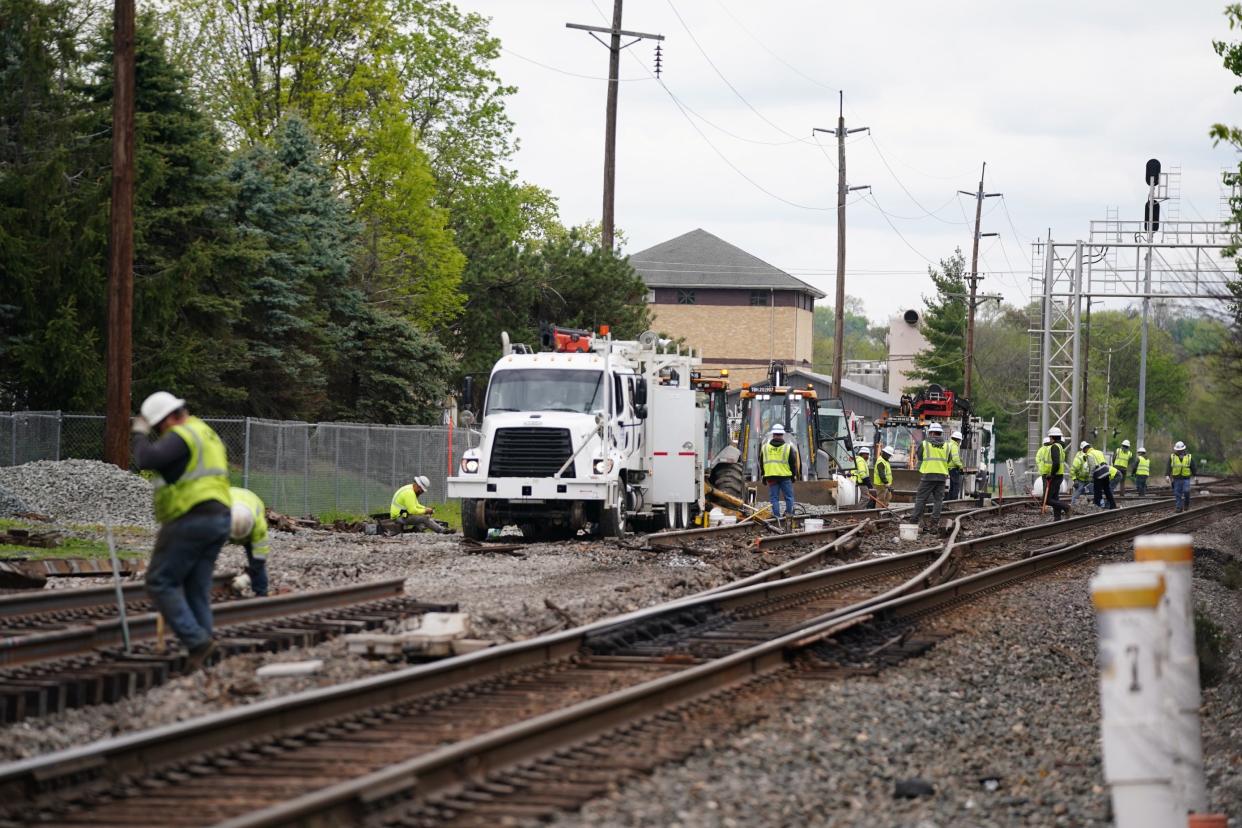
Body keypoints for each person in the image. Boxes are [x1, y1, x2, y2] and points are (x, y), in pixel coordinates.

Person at [131, 391, 230, 671]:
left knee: (160, 581)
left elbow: (147, 458)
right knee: (196, 588)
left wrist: (139, 432)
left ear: (171, 417)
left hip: (191, 517)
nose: (161, 432)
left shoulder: (183, 434)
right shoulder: (205, 432)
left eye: (159, 426)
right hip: (218, 518)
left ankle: (197, 642)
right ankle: (205, 655)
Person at [227, 486, 270, 597]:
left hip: (251, 501)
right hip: (229, 502)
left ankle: (261, 591)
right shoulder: (219, 513)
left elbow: (260, 557)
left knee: (254, 556)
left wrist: (247, 578)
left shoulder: (259, 526)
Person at [909, 423, 950, 532]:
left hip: (928, 475)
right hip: (941, 476)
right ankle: (934, 525)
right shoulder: (947, 445)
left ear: (931, 432)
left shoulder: (925, 444)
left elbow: (920, 457)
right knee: (938, 501)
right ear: (940, 433)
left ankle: (914, 520)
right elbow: (948, 460)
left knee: (921, 498)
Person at [762, 424, 799, 524]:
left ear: (773, 435)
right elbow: (793, 464)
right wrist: (794, 475)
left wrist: (763, 476)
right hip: (785, 477)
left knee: (774, 498)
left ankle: (777, 517)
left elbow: (762, 463)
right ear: (782, 435)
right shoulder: (788, 448)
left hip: (771, 477)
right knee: (789, 497)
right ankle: (789, 515)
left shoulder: (765, 448)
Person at [1035, 427, 1070, 521]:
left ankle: (1066, 507)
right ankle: (1057, 518)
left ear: (1052, 437)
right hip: (1059, 475)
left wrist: (1051, 474)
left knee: (1047, 500)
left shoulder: (1055, 447)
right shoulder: (1060, 447)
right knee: (1055, 497)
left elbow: (1056, 463)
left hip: (1054, 476)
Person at [1166, 441, 1197, 512]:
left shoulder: (1189, 457)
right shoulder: (1172, 457)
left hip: (1186, 478)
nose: (1179, 451)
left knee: (1186, 491)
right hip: (1176, 478)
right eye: (1178, 450)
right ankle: (1179, 508)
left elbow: (1193, 467)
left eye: (1180, 450)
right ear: (1176, 450)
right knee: (1177, 493)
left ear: (1183, 449)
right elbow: (1168, 467)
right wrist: (1167, 475)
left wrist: (1195, 476)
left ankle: (1186, 504)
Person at [1087, 443, 1117, 509]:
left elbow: (1092, 466)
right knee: (1107, 490)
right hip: (1106, 472)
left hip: (1098, 474)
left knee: (1097, 491)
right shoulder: (1099, 452)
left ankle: (1098, 505)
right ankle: (1113, 505)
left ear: (1085, 449)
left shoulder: (1089, 454)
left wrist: (1090, 476)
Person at [1069, 441, 1094, 506]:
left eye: (1088, 447)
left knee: (1091, 493)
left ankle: (1089, 505)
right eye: (1087, 447)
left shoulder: (1090, 456)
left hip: (1088, 479)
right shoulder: (1079, 458)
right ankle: (1073, 506)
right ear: (1083, 448)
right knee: (1077, 494)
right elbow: (1072, 470)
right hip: (1080, 479)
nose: (1088, 449)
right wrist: (1075, 480)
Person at [947, 430, 965, 499]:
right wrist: (961, 466)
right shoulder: (954, 446)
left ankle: (949, 500)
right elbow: (955, 459)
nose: (960, 442)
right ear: (958, 440)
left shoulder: (949, 444)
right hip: (953, 468)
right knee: (956, 485)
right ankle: (954, 501)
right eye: (960, 440)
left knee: (952, 486)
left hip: (949, 467)